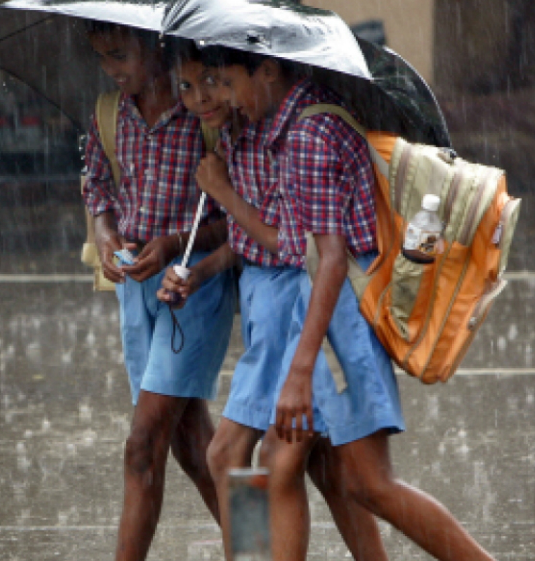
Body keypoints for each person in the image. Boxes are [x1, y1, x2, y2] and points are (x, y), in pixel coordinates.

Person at [191, 43, 495, 561]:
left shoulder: (308, 134)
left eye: (226, 82)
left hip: (340, 323)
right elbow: (304, 248)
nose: (223, 97)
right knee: (276, 461)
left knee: (367, 483)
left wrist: (300, 371)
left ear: (266, 70)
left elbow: (327, 259)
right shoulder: (294, 123)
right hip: (321, 313)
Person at [159, 41, 387, 561]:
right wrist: (198, 272)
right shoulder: (241, 129)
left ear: (258, 72)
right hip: (266, 306)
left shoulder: (289, 130)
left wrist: (223, 194)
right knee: (319, 467)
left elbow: (287, 244)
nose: (207, 98)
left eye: (217, 82)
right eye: (192, 87)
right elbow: (245, 245)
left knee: (241, 454)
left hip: (294, 305)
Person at [80, 21, 236, 561]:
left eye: (121, 54)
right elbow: (97, 184)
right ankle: (260, 545)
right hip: (136, 289)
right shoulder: (110, 112)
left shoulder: (203, 114)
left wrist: (174, 245)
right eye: (103, 59)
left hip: (191, 290)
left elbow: (239, 216)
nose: (114, 70)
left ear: (156, 47)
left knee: (142, 444)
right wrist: (105, 235)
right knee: (194, 445)